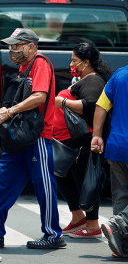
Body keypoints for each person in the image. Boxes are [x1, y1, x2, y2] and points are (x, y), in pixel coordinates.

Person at [0, 28, 65, 249]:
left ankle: (53, 235)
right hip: (18, 134)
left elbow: (40, 96)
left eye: (17, 45)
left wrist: (9, 112)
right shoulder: (24, 67)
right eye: (11, 45)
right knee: (4, 181)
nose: (12, 49)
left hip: (37, 134)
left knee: (43, 183)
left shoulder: (40, 63)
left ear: (30, 46)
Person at [53, 43, 111, 238]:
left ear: (86, 63)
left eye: (74, 61)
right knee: (62, 172)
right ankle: (78, 217)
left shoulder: (93, 81)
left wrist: (63, 102)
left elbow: (93, 106)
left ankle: (93, 226)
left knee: (87, 179)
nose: (71, 64)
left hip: (87, 140)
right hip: (77, 140)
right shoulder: (85, 79)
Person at [92, 64, 128, 257]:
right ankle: (117, 225)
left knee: (121, 194)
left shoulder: (119, 74)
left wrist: (96, 135)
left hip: (116, 145)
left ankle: (122, 246)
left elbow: (101, 105)